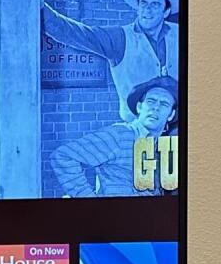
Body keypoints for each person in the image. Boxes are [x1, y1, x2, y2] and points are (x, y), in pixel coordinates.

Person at [42, 0, 179, 124]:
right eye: (143, 3)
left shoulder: (180, 33)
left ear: (166, 11)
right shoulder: (119, 38)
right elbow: (72, 32)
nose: (147, 10)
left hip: (178, 130)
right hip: (136, 133)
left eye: (155, 4)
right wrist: (39, 5)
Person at [50, 75, 178, 198]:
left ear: (171, 115)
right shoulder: (120, 135)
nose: (155, 108)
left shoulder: (163, 147)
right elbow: (63, 156)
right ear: (139, 107)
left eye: (164, 104)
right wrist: (88, 200)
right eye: (151, 101)